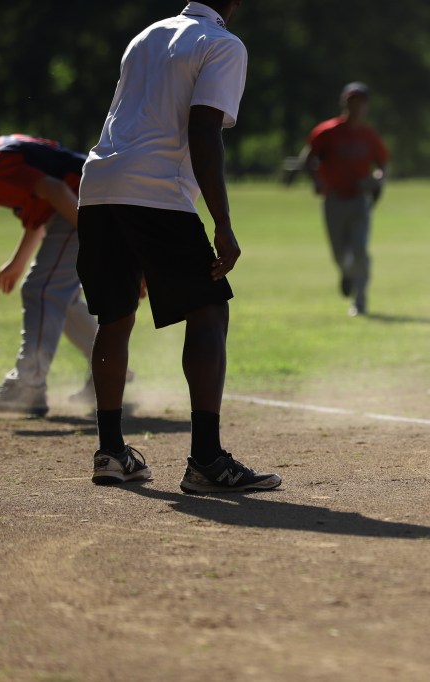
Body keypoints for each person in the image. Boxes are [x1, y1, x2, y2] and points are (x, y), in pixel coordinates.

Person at [77, 0, 281, 493]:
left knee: (115, 317)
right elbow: (203, 129)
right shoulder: (222, 44)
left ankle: (111, 452)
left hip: (98, 186)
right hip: (156, 190)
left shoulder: (146, 35)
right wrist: (222, 223)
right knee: (208, 309)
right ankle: (207, 460)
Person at [0, 133, 110, 417]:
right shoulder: (5, 149)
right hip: (90, 195)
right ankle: (109, 366)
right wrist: (17, 262)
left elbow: (57, 191)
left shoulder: (1, 163)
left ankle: (28, 384)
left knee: (44, 290)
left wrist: (98, 241)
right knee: (59, 296)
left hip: (84, 200)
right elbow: (43, 206)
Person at [301, 81, 389, 316]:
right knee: (340, 253)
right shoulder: (327, 131)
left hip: (359, 200)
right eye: (351, 102)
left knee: (360, 250)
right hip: (334, 199)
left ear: (366, 106)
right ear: (344, 103)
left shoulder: (369, 136)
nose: (356, 107)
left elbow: (382, 165)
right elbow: (307, 159)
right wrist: (317, 180)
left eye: (360, 102)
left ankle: (360, 301)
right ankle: (347, 272)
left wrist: (377, 179)